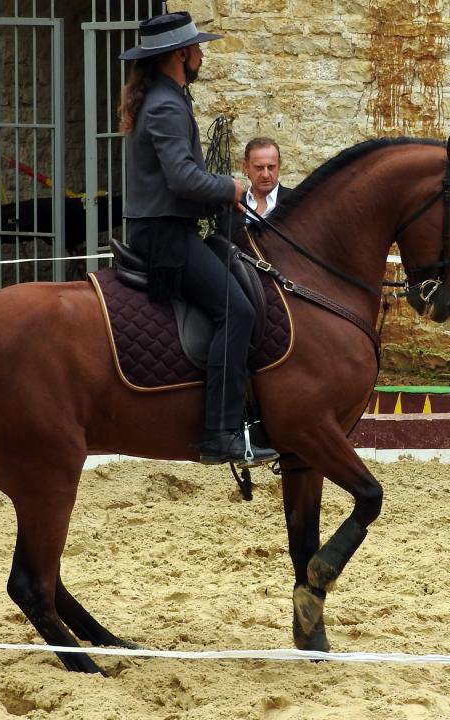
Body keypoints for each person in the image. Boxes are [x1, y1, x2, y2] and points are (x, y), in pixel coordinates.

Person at [117, 12, 277, 467]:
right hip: (165, 236)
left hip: (169, 227)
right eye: (198, 48)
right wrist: (229, 187)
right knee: (237, 310)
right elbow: (184, 179)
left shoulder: (167, 97)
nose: (202, 54)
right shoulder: (167, 105)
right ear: (181, 55)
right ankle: (219, 434)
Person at [241, 137, 286, 220]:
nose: (265, 175)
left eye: (271, 167)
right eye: (259, 167)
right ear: (246, 167)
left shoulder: (296, 202)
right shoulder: (232, 205)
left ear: (279, 166)